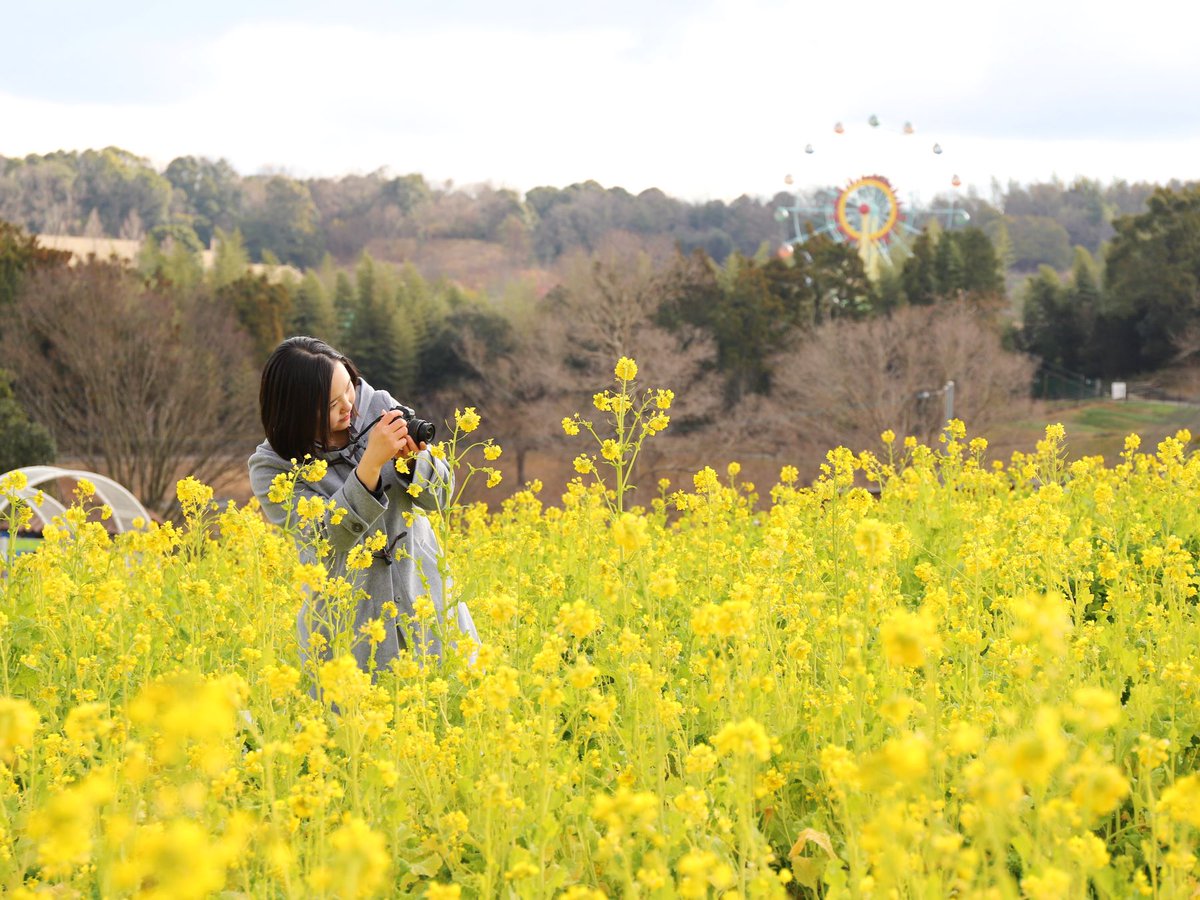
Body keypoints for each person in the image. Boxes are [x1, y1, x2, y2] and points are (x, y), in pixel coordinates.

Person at [248, 336, 478, 680]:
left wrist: (417, 460)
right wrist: (370, 464)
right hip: (349, 626)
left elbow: (441, 497)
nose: (350, 408)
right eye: (331, 404)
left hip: (426, 604)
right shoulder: (272, 468)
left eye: (349, 389)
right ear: (295, 410)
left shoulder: (378, 405)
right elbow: (328, 538)